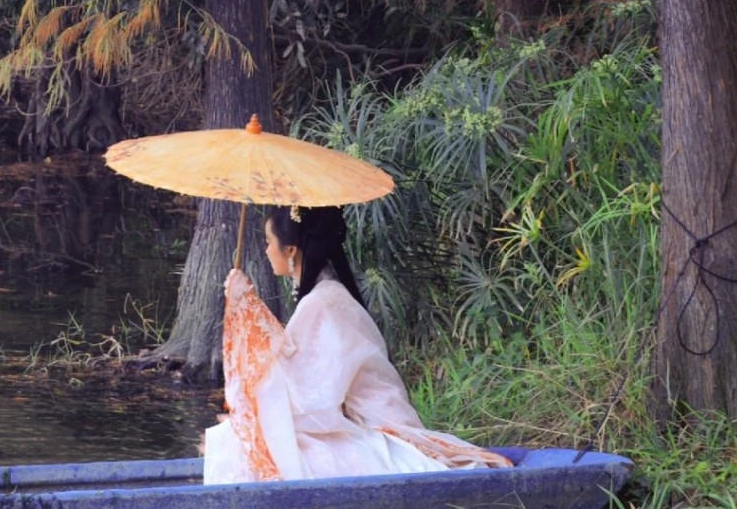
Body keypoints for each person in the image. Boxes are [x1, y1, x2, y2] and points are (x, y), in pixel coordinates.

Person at [202, 205, 512, 484]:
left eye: (269, 242)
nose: (267, 250)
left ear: (291, 250)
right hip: (351, 419)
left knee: (237, 445)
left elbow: (311, 398)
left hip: (372, 423)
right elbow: (297, 376)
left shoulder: (325, 302)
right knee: (236, 439)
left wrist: (244, 308)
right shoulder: (323, 297)